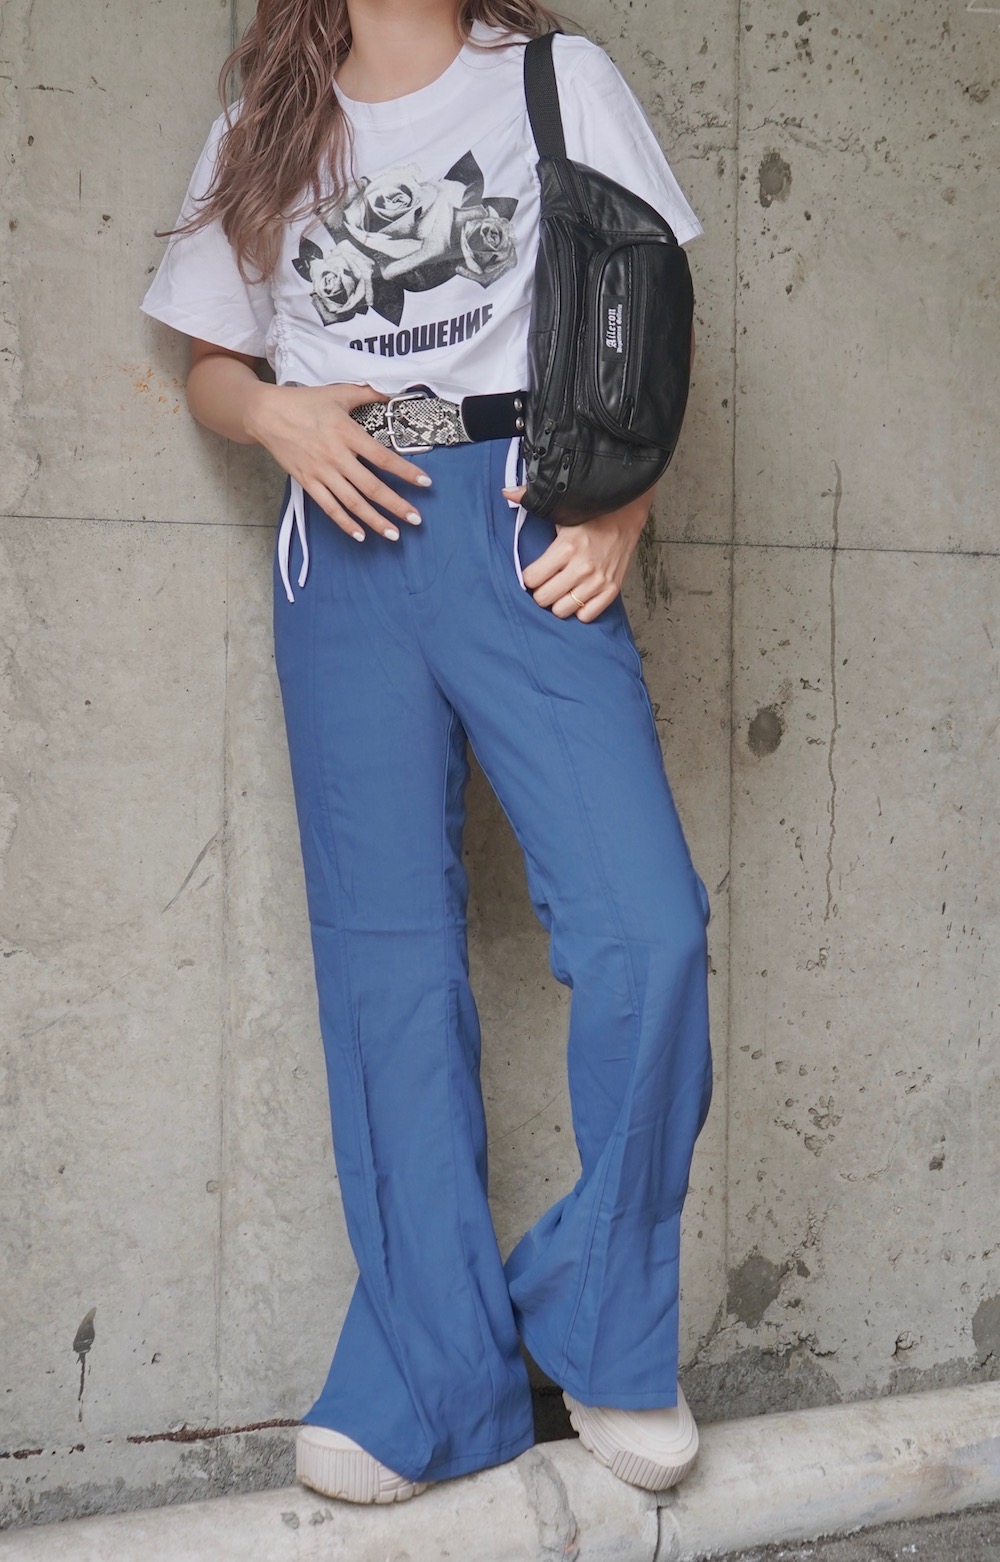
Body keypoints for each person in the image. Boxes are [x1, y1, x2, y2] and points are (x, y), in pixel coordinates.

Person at [141, 0, 714, 1509]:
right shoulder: (272, 115)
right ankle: (433, 1376)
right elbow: (207, 360)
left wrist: (619, 509)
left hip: (519, 518)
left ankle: (598, 1324)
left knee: (649, 930)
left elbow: (652, 305)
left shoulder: (554, 80)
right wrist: (274, 417)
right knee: (385, 970)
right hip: (343, 542)